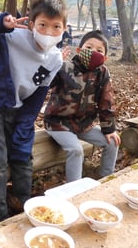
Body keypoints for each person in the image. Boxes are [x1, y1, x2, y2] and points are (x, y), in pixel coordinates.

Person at [0, 0, 66, 223]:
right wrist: (0, 23)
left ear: (64, 28)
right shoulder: (10, 36)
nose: (48, 32)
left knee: (23, 156)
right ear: (31, 24)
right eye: (42, 25)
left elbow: (38, 95)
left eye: (56, 27)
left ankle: (26, 209)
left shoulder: (54, 58)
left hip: (19, 109)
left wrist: (25, 124)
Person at [44, 30, 121, 183]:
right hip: (58, 123)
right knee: (76, 150)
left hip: (84, 124)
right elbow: (44, 83)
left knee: (113, 142)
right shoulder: (65, 67)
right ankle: (75, 190)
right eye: (89, 47)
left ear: (105, 58)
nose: (93, 52)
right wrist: (53, 65)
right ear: (79, 50)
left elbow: (106, 101)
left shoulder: (102, 73)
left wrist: (109, 129)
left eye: (99, 50)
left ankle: (106, 180)